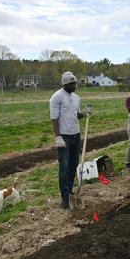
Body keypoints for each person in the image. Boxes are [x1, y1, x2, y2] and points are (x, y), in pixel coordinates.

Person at [49, 71, 92, 209]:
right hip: (64, 137)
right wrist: (58, 136)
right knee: (64, 167)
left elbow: (76, 114)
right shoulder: (56, 97)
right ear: (65, 84)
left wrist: (85, 114)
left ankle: (70, 188)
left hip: (76, 135)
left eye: (75, 83)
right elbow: (54, 118)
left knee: (73, 165)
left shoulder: (76, 97)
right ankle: (64, 197)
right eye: (72, 84)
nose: (75, 86)